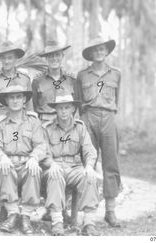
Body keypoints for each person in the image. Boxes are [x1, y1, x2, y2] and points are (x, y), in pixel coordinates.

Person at [74, 36, 121, 227]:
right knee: (88, 164)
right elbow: (78, 101)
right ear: (91, 54)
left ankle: (110, 211)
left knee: (111, 163)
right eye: (96, 50)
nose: (99, 52)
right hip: (88, 117)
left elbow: (117, 99)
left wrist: (111, 116)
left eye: (102, 49)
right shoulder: (82, 75)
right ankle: (88, 214)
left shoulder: (116, 74)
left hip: (109, 117)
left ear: (106, 51)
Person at [0, 85, 47, 235]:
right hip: (8, 163)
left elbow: (41, 145)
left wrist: (34, 158)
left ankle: (26, 216)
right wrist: (2, 157)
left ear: (24, 100)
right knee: (5, 168)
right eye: (11, 97)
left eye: (18, 97)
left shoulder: (33, 121)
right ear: (6, 101)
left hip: (26, 162)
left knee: (34, 169)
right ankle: (12, 214)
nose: (15, 101)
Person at [42, 94, 100, 236]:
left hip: (75, 168)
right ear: (55, 109)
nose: (63, 111)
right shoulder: (47, 128)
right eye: (60, 108)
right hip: (55, 167)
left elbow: (89, 150)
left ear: (73, 108)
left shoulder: (80, 127)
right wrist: (51, 164)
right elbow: (43, 152)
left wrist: (89, 166)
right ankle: (57, 223)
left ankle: (89, 223)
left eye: (67, 107)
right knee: (55, 175)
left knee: (89, 177)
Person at [0, 41, 33, 119]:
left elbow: (30, 109)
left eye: (10, 58)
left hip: (22, 123)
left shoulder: (25, 79)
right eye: (4, 58)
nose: (6, 61)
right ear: (0, 59)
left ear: (16, 58)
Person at [32, 40, 75, 124]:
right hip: (45, 122)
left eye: (57, 55)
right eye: (51, 55)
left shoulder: (71, 80)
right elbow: (33, 105)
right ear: (46, 58)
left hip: (66, 122)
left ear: (62, 56)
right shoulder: (37, 81)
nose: (54, 58)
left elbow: (75, 105)